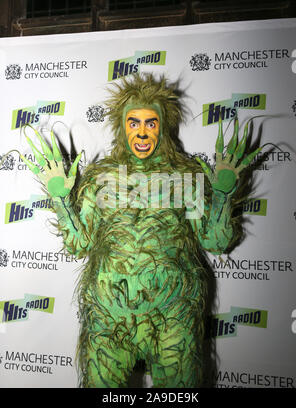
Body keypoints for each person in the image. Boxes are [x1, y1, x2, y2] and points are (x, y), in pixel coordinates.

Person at [21, 73, 260, 387]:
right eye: (134, 123)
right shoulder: (101, 177)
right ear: (122, 127)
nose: (143, 133)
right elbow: (79, 244)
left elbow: (216, 241)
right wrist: (62, 201)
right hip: (108, 316)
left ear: (163, 126)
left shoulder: (184, 175)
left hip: (173, 314)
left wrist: (224, 198)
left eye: (151, 123)